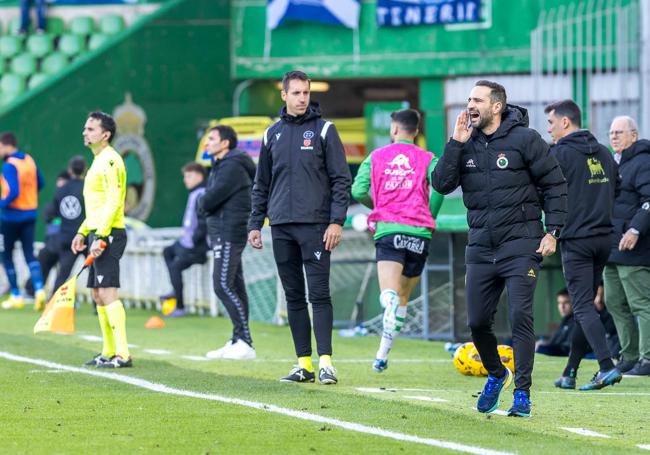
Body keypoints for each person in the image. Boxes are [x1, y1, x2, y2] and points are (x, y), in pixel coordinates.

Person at [431, 80, 567, 417]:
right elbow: (441, 184)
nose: (470, 105)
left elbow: (555, 184)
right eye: (468, 99)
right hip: (480, 245)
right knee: (477, 322)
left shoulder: (526, 139)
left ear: (497, 106)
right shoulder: (464, 143)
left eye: (478, 100)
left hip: (521, 243)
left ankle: (522, 393)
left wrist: (554, 232)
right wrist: (454, 143)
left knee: (521, 316)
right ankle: (496, 373)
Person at [248, 70, 352, 384]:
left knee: (319, 295)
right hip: (280, 225)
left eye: (305, 93)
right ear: (284, 95)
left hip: (316, 226)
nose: (302, 98)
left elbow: (340, 179)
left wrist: (336, 221)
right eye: (296, 93)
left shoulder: (324, 130)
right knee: (293, 297)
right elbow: (261, 183)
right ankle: (303, 364)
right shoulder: (271, 134)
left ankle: (327, 363)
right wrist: (255, 223)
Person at [350, 108, 443, 373]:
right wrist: (429, 216)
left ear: (394, 130)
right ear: (416, 132)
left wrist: (377, 205)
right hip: (419, 233)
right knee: (403, 296)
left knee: (389, 294)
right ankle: (382, 355)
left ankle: (387, 305)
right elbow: (439, 188)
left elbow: (357, 190)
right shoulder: (428, 158)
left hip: (389, 229)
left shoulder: (377, 156)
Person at [544, 99, 622, 390]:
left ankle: (605, 366)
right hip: (603, 238)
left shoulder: (559, 154)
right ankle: (570, 372)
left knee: (582, 305)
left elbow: (546, 191)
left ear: (565, 122)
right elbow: (618, 188)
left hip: (577, 239)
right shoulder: (603, 152)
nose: (548, 129)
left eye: (551, 122)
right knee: (583, 306)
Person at [72, 112, 131, 369]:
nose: (85, 132)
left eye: (91, 129)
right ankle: (108, 352)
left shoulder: (110, 161)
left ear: (105, 135)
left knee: (108, 293)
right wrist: (83, 232)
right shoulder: (97, 161)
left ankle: (123, 354)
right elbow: (96, 208)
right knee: (97, 294)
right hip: (98, 232)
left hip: (110, 233)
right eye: (85, 128)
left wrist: (103, 235)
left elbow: (114, 201)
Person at [198, 126, 257, 359]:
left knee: (222, 284)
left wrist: (201, 202)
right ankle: (238, 339)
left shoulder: (231, 166)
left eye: (211, 139)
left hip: (228, 231)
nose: (206, 143)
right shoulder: (222, 165)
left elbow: (210, 199)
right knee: (234, 283)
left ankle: (245, 341)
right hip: (224, 231)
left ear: (225, 144)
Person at [603, 115, 650, 377]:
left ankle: (647, 358)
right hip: (611, 246)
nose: (614, 137)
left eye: (619, 132)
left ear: (634, 135)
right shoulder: (613, 163)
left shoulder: (643, 161)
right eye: (611, 132)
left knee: (640, 303)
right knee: (614, 302)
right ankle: (629, 356)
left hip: (635, 246)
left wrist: (635, 229)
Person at [0, 132, 46, 311]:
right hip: (30, 214)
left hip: (11, 217)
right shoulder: (29, 160)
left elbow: (13, 192)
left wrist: (2, 203)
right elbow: (40, 183)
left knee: (6, 254)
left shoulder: (10, 165)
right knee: (29, 254)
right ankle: (40, 290)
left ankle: (16, 295)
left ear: (6, 145)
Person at [160, 162, 208, 318]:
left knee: (175, 267)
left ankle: (180, 306)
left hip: (197, 247)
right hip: (186, 242)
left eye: (189, 176)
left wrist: (195, 241)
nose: (185, 180)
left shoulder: (202, 194)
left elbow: (203, 224)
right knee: (167, 251)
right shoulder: (194, 192)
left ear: (199, 177)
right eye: (185, 176)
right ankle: (175, 289)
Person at [535, 288, 575, 357]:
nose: (562, 307)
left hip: (564, 354)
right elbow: (553, 342)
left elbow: (567, 348)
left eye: (566, 302)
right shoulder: (564, 321)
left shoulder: (577, 322)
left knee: (540, 349)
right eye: (559, 303)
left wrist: (544, 346)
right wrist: (543, 343)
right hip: (556, 350)